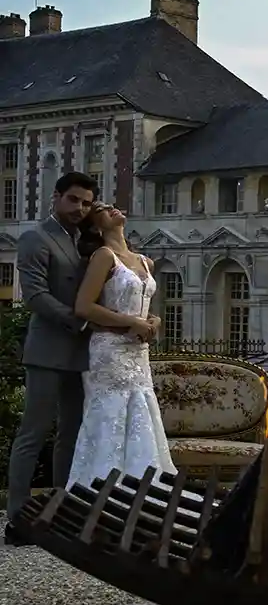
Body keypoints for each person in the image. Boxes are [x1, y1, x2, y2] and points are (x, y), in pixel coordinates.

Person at [5, 173, 99, 546]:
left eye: (87, 203)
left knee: (72, 435)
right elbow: (35, 296)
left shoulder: (88, 242)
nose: (80, 209)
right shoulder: (35, 238)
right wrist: (79, 320)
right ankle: (17, 519)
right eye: (73, 200)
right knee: (33, 434)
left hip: (81, 354)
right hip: (47, 351)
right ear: (56, 197)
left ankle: (61, 511)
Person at [66, 201, 174, 494]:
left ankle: (143, 494)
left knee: (141, 417)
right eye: (102, 209)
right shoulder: (103, 256)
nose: (112, 208)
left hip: (138, 353)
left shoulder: (144, 261)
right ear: (95, 226)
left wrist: (154, 320)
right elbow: (84, 307)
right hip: (109, 352)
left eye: (112, 205)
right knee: (110, 419)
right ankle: (100, 494)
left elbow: (146, 305)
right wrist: (131, 323)